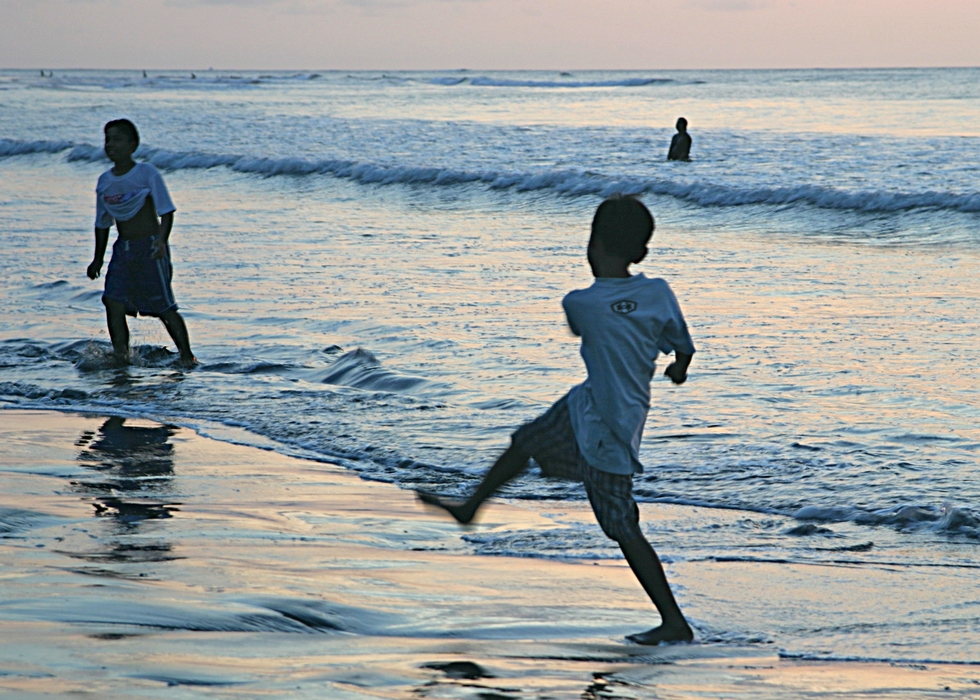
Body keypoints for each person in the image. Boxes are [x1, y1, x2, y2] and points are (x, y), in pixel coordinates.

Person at [418, 196, 696, 645]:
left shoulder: (579, 303)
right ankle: (471, 508)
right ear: (641, 252)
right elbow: (682, 346)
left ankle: (674, 622)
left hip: (610, 429)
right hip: (590, 406)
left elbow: (587, 324)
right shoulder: (659, 294)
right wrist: (677, 370)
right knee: (526, 439)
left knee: (623, 526)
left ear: (593, 244)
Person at [86, 119, 196, 366]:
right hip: (122, 250)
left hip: (149, 248)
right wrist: (97, 259)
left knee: (163, 306)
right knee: (112, 300)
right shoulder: (105, 181)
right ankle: (121, 354)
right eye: (107, 139)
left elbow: (167, 211)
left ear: (132, 145)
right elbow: (103, 223)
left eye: (117, 139)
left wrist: (161, 241)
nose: (110, 144)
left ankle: (187, 356)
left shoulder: (146, 174)